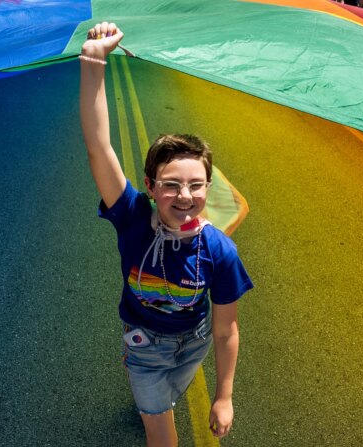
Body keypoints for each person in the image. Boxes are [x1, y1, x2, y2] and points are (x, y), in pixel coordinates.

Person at [79, 22, 253, 447]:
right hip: (144, 346)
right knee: (161, 432)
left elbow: (226, 329)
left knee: (165, 400)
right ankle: (150, 405)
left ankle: (153, 402)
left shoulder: (219, 251)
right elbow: (99, 146)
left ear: (208, 189)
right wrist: (93, 62)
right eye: (171, 184)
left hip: (193, 345)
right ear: (151, 186)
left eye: (196, 185)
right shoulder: (133, 216)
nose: (184, 195)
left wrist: (224, 396)